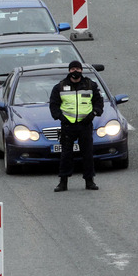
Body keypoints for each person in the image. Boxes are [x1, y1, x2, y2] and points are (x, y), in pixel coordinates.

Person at [49, 60, 104, 192]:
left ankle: (89, 181)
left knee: (88, 153)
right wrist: (61, 117)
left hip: (85, 125)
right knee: (66, 155)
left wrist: (93, 114)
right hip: (68, 126)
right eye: (73, 69)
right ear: (69, 71)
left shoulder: (90, 85)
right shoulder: (60, 87)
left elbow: (99, 102)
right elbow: (53, 105)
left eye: (77, 69)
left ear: (81, 71)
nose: (75, 71)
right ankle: (63, 182)